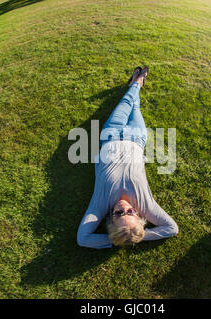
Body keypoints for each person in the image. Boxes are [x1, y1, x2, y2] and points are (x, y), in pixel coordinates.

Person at [76, 66, 179, 249]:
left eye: (118, 214)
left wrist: (118, 239)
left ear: (110, 221)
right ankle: (136, 83)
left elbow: (83, 239)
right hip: (137, 137)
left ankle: (137, 82)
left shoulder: (99, 206)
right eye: (130, 212)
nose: (124, 208)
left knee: (126, 102)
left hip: (111, 135)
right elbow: (172, 228)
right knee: (135, 106)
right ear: (139, 216)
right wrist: (137, 235)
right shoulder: (145, 206)